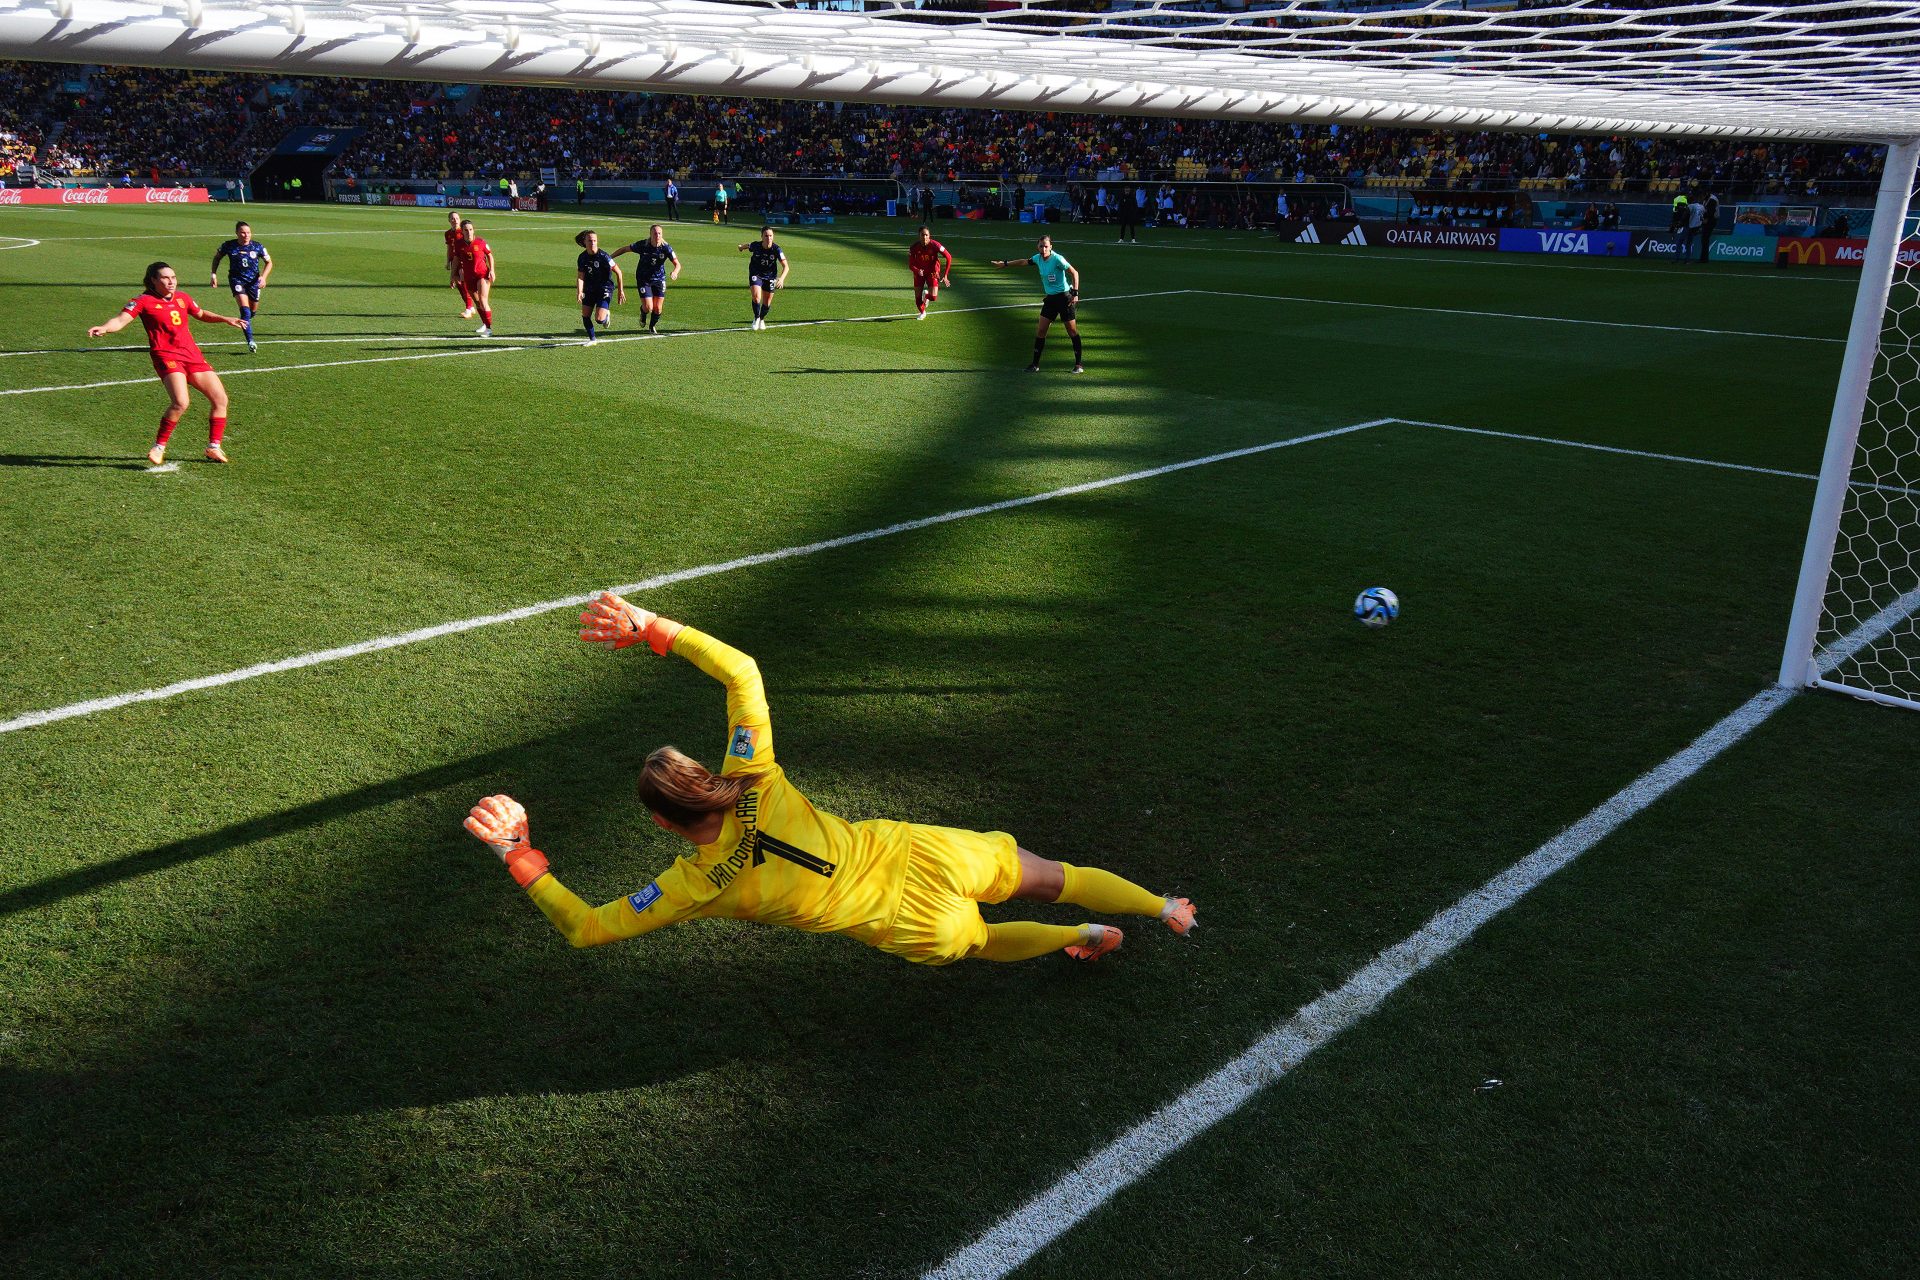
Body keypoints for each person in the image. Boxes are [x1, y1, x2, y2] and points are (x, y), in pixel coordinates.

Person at [464, 594, 1197, 966]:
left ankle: (1087, 935)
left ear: (660, 823)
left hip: (906, 923)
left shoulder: (690, 887)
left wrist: (517, 853)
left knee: (979, 942)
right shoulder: (752, 778)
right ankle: (1160, 905)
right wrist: (651, 625)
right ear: (702, 774)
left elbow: (588, 928)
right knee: (1054, 874)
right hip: (922, 853)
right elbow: (741, 671)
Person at [86, 261, 245, 466]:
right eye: (165, 278)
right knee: (181, 402)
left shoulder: (183, 298)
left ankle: (213, 447)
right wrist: (106, 328)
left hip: (192, 356)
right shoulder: (142, 301)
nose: (171, 282)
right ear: (153, 280)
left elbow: (201, 314)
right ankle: (158, 446)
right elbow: (121, 320)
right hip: (166, 356)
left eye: (173, 277)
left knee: (220, 399)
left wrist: (224, 318)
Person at [989, 235, 1083, 374]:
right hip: (1050, 300)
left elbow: (1074, 273)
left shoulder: (1058, 259)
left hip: (1064, 298)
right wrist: (1005, 263)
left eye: (1046, 246)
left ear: (1051, 247)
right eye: (1041, 246)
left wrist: (1075, 293)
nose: (1043, 248)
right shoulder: (1037, 258)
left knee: (1072, 331)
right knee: (1041, 331)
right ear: (1037, 247)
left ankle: (1078, 365)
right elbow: (1023, 262)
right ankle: (1035, 364)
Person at [208, 219, 270, 353]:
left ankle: (246, 321)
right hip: (237, 280)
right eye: (243, 233)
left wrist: (263, 277)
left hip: (254, 282)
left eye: (248, 232)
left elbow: (269, 262)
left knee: (252, 312)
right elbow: (217, 257)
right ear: (237, 233)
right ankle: (250, 341)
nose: (246, 235)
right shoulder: (229, 246)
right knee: (245, 311)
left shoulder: (258, 246)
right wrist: (213, 274)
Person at [610, 224, 680, 334]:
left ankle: (652, 326)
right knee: (648, 307)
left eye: (659, 233)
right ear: (650, 234)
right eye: (655, 233)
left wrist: (675, 272)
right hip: (644, 279)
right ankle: (643, 313)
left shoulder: (666, 248)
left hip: (659, 279)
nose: (657, 235)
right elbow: (625, 249)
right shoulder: (643, 245)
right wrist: (610, 258)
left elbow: (677, 264)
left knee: (657, 308)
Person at [573, 229, 625, 344]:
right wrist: (579, 291)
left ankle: (606, 314)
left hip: (604, 288)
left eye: (595, 241)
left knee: (599, 320)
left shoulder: (604, 256)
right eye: (590, 241)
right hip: (589, 288)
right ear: (585, 242)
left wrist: (621, 291)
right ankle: (592, 339)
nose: (593, 243)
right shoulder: (582, 257)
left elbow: (619, 272)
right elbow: (581, 276)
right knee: (585, 315)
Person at [738, 225, 789, 329]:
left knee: (767, 302)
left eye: (770, 236)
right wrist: (741, 247)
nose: (768, 238)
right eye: (766, 236)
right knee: (756, 297)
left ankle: (761, 318)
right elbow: (748, 246)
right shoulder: (756, 245)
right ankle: (756, 318)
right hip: (755, 273)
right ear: (762, 237)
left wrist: (782, 279)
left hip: (770, 276)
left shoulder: (777, 249)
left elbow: (786, 267)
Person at [458, 219, 497, 336]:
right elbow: (456, 259)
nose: (468, 232)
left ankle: (489, 329)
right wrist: (453, 274)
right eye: (466, 230)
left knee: (483, 299)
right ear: (462, 231)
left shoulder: (480, 242)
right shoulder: (459, 244)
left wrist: (492, 270)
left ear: (473, 230)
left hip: (482, 275)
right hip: (469, 277)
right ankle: (485, 324)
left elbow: (489, 255)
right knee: (477, 301)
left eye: (470, 229)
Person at [908, 225, 953, 319]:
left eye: (926, 235)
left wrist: (945, 275)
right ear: (919, 236)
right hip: (919, 273)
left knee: (933, 297)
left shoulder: (935, 245)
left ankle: (926, 297)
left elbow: (948, 257)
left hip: (932, 272)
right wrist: (917, 270)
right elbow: (910, 265)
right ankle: (922, 312)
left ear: (929, 235)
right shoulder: (913, 247)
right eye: (922, 235)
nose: (924, 237)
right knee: (917, 299)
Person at [444, 210, 476, 318]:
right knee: (458, 283)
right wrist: (448, 261)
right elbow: (449, 248)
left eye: (457, 218)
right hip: (454, 261)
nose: (455, 220)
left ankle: (468, 308)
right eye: (452, 218)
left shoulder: (462, 231)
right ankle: (470, 306)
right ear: (449, 220)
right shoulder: (448, 233)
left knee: (463, 283)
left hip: (463, 260)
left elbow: (471, 242)